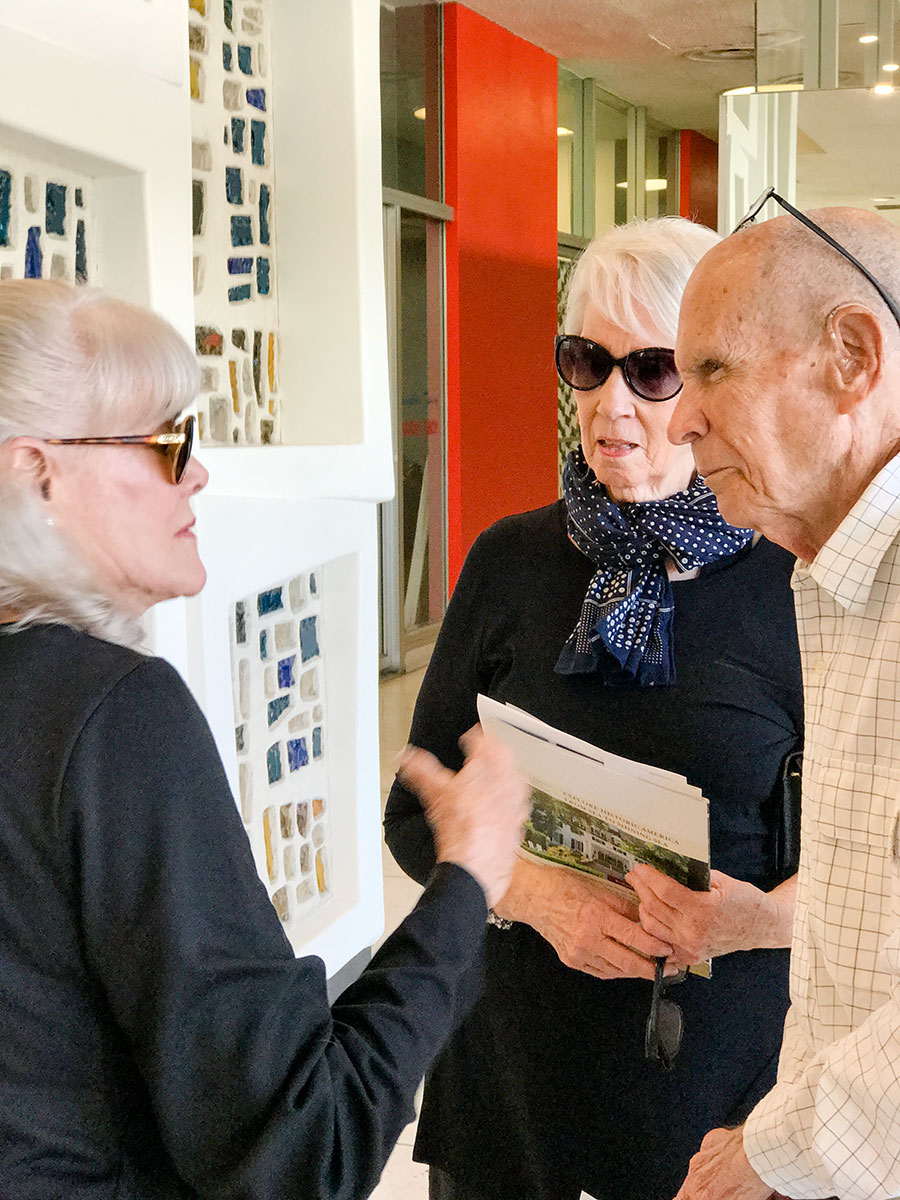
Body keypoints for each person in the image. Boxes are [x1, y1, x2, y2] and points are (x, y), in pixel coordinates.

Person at [0, 278, 530, 1200]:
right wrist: (468, 879)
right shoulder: (113, 716)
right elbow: (301, 1150)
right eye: (167, 442)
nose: (198, 471)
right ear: (34, 472)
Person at [384, 217, 804, 1200]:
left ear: (717, 377)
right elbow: (415, 815)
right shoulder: (510, 560)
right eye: (585, 363)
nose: (609, 404)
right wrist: (540, 897)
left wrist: (760, 922)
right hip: (512, 1070)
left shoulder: (798, 578)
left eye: (650, 370)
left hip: (714, 1092)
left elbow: (877, 873)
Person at [668, 202, 900, 1200]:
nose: (680, 418)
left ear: (851, 356)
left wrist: (769, 1153)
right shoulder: (834, 572)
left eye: (714, 369)